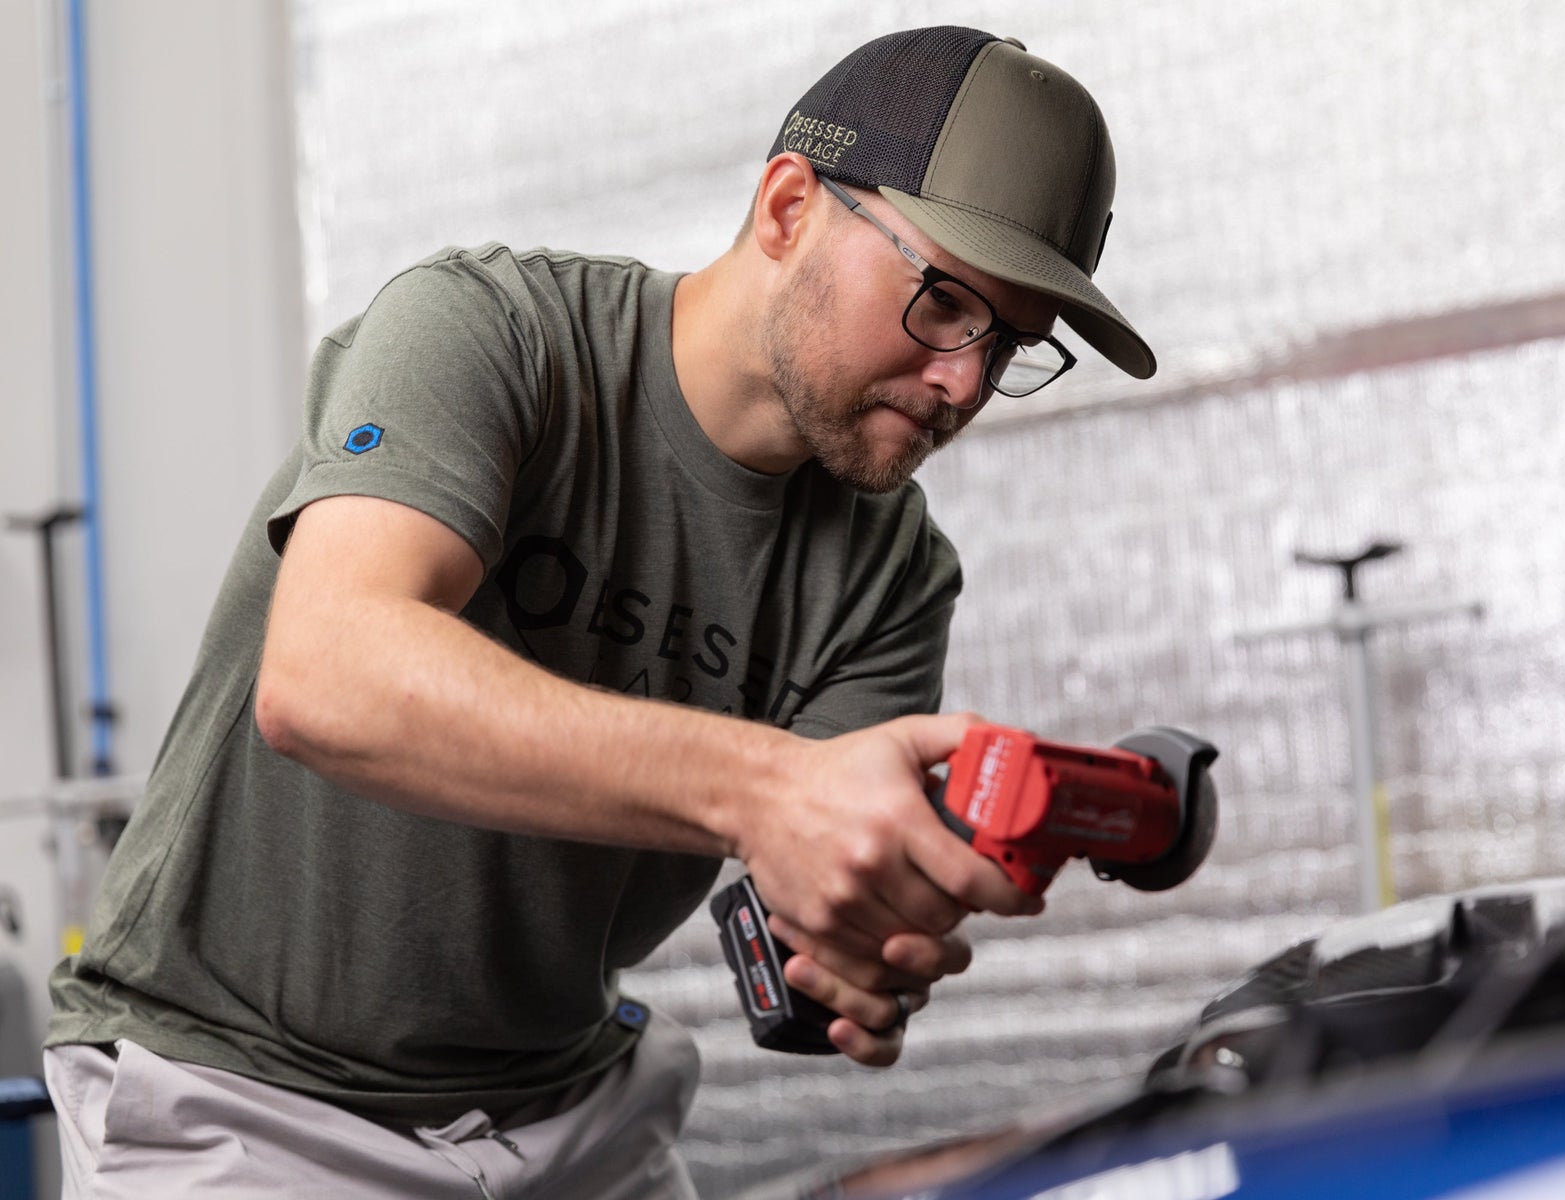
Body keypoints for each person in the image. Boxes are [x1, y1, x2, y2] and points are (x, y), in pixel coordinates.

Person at [41, 24, 1157, 1200]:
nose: (965, 382)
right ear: (788, 208)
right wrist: (768, 788)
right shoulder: (490, 333)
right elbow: (326, 679)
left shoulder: (893, 572)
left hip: (571, 1116)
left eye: (1012, 343)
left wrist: (859, 937)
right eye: (946, 303)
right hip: (241, 1098)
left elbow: (807, 892)